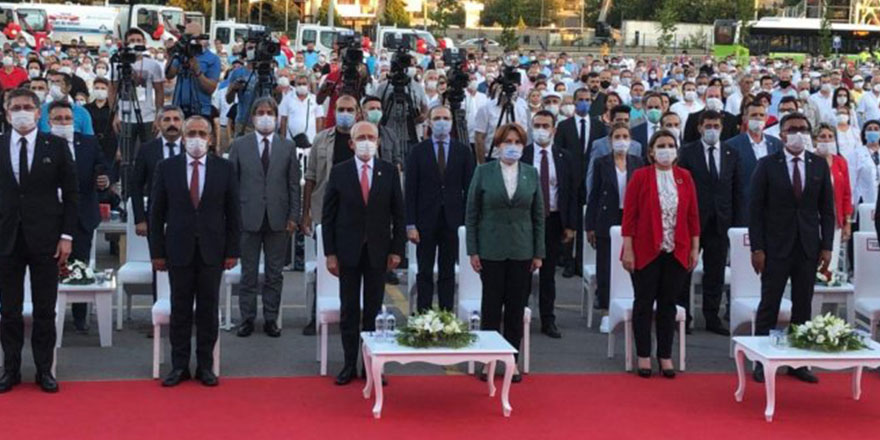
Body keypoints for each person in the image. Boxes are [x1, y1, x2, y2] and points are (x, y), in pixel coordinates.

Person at [149, 115, 241, 387]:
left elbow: (233, 213)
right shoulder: (166, 168)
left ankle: (205, 366)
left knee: (208, 310)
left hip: (213, 251)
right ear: (184, 137)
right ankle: (179, 366)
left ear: (211, 139)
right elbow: (156, 213)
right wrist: (157, 252)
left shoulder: (224, 168)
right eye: (192, 133)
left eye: (202, 133)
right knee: (180, 310)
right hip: (178, 249)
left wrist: (232, 250)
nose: (197, 139)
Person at [0, 88, 78, 393]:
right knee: (10, 310)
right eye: (15, 107)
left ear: (37, 112)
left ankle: (45, 369)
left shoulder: (56, 147)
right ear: (7, 113)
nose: (21, 111)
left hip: (47, 238)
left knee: (45, 309)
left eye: (26, 107)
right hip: (6, 238)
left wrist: (66, 236)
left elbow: (72, 195)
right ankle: (11, 369)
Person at [749, 112, 834, 384]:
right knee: (769, 303)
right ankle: (761, 360)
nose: (798, 133)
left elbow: (826, 210)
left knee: (802, 304)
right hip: (775, 246)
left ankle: (798, 361)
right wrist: (757, 247)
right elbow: (755, 211)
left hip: (808, 246)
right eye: (792, 129)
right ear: (782, 134)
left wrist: (827, 247)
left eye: (802, 128)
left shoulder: (819, 165)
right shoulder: (767, 164)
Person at [322, 121, 405, 385]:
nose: (367, 141)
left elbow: (399, 215)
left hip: (378, 252)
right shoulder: (339, 172)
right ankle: (349, 364)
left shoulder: (389, 172)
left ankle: (372, 365)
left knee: (373, 311)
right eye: (361, 137)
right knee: (349, 310)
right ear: (351, 143)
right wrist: (330, 253)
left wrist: (396, 249)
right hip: (347, 251)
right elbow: (329, 215)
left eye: (371, 137)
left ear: (379, 141)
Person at [466, 123, 545, 383]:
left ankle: (511, 360)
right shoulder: (483, 172)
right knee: (491, 307)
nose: (512, 147)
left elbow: (538, 217)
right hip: (491, 248)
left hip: (522, 249)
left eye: (518, 142)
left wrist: (538, 252)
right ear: (497, 145)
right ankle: (488, 361)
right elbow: (472, 213)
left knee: (515, 308)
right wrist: (473, 250)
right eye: (507, 142)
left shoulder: (531, 174)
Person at [621, 129, 700, 378]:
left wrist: (695, 248)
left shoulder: (684, 177)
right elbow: (629, 216)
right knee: (644, 304)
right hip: (645, 250)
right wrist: (628, 250)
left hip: (677, 250)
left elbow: (693, 217)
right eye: (661, 145)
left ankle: (665, 355)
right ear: (651, 152)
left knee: (668, 305)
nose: (666, 149)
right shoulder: (641, 176)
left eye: (670, 145)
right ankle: (644, 355)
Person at [227, 97, 300, 338]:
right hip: (247, 217)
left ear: (277, 116)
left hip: (278, 218)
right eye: (260, 112)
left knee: (274, 273)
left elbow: (293, 186)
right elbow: (232, 186)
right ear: (253, 116)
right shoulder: (239, 145)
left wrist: (294, 216)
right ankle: (246, 319)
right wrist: (232, 218)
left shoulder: (287, 146)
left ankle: (271, 318)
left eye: (270, 112)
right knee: (247, 273)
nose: (265, 116)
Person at [677, 110, 744, 335]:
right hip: (693, 221)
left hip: (721, 221)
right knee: (685, 269)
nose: (712, 130)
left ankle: (712, 316)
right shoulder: (687, 152)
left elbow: (735, 189)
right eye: (708, 126)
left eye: (716, 126)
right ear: (699, 127)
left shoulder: (730, 152)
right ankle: (682, 316)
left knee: (715, 272)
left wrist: (734, 220)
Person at [48, 100, 110, 333]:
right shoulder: (43, 144)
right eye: (58, 119)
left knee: (79, 265)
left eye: (67, 119)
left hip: (83, 214)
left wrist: (103, 177)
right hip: (49, 216)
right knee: (48, 267)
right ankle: (47, 314)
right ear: (49, 121)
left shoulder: (89, 143)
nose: (63, 122)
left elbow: (102, 167)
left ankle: (80, 318)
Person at [405, 106, 475, 312]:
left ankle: (446, 315)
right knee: (425, 271)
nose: (442, 122)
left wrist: (466, 223)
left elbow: (469, 189)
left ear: (452, 122)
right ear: (429, 122)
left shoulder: (463, 151)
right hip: (424, 221)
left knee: (447, 272)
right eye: (437, 118)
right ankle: (423, 316)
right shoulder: (418, 151)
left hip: (453, 220)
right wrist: (410, 224)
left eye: (446, 118)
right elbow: (410, 191)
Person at [521, 111, 577, 338]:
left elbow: (571, 192)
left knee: (548, 273)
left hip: (553, 220)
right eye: (537, 125)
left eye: (546, 125)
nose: (541, 129)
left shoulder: (564, 157)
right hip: (525, 221)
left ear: (554, 129)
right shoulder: (523, 155)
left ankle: (548, 319)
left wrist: (570, 225)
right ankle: (520, 315)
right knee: (523, 271)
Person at [585, 122, 644, 331]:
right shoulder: (602, 162)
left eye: (625, 137)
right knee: (606, 266)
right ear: (610, 141)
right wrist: (589, 225)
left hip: (630, 218)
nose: (621, 141)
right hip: (606, 218)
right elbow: (594, 194)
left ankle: (631, 305)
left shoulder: (638, 162)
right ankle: (606, 311)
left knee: (633, 263)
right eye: (617, 137)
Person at [131, 106, 184, 237]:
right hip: (155, 216)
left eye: (176, 119)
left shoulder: (191, 149)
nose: (172, 124)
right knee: (158, 257)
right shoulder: (147, 150)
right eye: (167, 119)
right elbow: (136, 186)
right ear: (159, 123)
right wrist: (140, 219)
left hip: (186, 218)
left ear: (183, 123)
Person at [111, 28, 165, 147]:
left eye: (138, 40)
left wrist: (158, 116)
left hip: (148, 116)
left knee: (148, 151)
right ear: (126, 43)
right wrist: (114, 115)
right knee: (126, 153)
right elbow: (113, 90)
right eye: (132, 40)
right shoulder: (118, 64)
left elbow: (159, 91)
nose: (135, 42)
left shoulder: (153, 65)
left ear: (144, 42)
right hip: (125, 116)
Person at [814, 123, 853, 276]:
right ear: (815, 139)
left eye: (830, 137)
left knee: (830, 262)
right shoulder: (809, 159)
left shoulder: (840, 162)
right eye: (822, 137)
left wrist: (847, 222)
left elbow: (846, 194)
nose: (827, 140)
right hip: (812, 219)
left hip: (835, 220)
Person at [727, 101, 783, 204]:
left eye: (761, 115)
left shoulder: (776, 144)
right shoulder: (731, 146)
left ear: (766, 118)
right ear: (744, 119)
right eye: (753, 115)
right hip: (744, 207)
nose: (758, 118)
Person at [166, 22, 221, 118]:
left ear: (201, 37)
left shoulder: (212, 58)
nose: (190, 40)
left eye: (193, 37)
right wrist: (172, 54)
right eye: (187, 36)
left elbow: (211, 89)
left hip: (201, 111)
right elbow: (169, 75)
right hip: (179, 110)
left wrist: (197, 71)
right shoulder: (180, 54)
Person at [279, 72, 325, 146]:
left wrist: (318, 139)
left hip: (310, 140)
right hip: (290, 140)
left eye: (304, 84)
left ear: (309, 86)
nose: (301, 86)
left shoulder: (315, 99)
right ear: (295, 85)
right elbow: (283, 119)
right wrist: (282, 139)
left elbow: (319, 119)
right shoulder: (287, 98)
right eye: (299, 84)